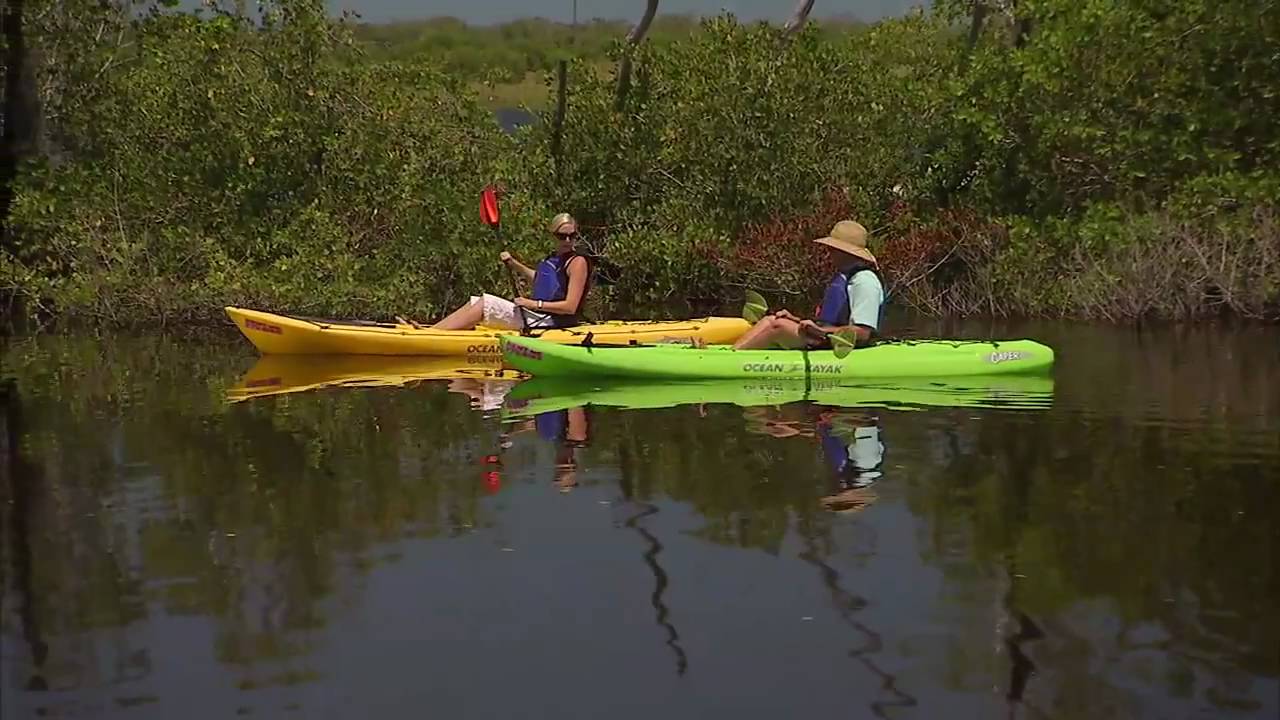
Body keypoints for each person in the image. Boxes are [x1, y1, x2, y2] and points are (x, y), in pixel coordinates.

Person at [733, 220, 884, 350]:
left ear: (845, 252)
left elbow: (863, 332)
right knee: (770, 320)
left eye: (833, 249)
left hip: (844, 345)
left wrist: (821, 331)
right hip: (826, 337)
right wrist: (797, 320)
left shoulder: (865, 281)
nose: (829, 253)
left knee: (778, 326)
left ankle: (731, 363)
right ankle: (733, 352)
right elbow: (830, 322)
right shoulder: (847, 276)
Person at [431, 212, 591, 331]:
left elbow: (570, 307)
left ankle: (431, 335)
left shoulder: (577, 263)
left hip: (551, 321)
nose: (568, 241)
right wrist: (513, 263)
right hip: (539, 315)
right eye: (562, 236)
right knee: (475, 301)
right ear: (553, 236)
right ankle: (433, 331)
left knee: (487, 303)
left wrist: (533, 304)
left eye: (572, 236)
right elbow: (540, 280)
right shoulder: (552, 259)